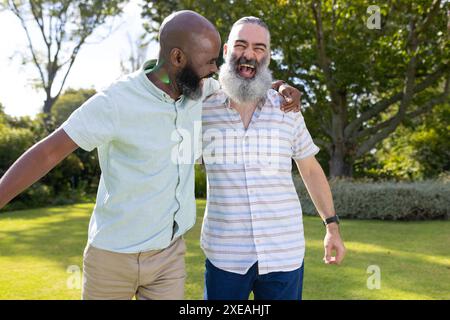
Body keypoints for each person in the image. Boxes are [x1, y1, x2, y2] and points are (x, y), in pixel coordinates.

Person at [0, 11, 301, 300]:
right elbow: (48, 152)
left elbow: (245, 82)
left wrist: (281, 86)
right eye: (209, 62)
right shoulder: (115, 102)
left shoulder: (200, 90)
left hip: (168, 256)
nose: (215, 69)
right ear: (177, 58)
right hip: (112, 256)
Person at [200, 16, 346, 300]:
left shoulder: (286, 108)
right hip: (225, 256)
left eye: (259, 48)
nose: (249, 54)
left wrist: (332, 227)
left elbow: (311, 170)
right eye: (241, 45)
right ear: (227, 50)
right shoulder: (202, 109)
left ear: (267, 55)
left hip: (284, 253)